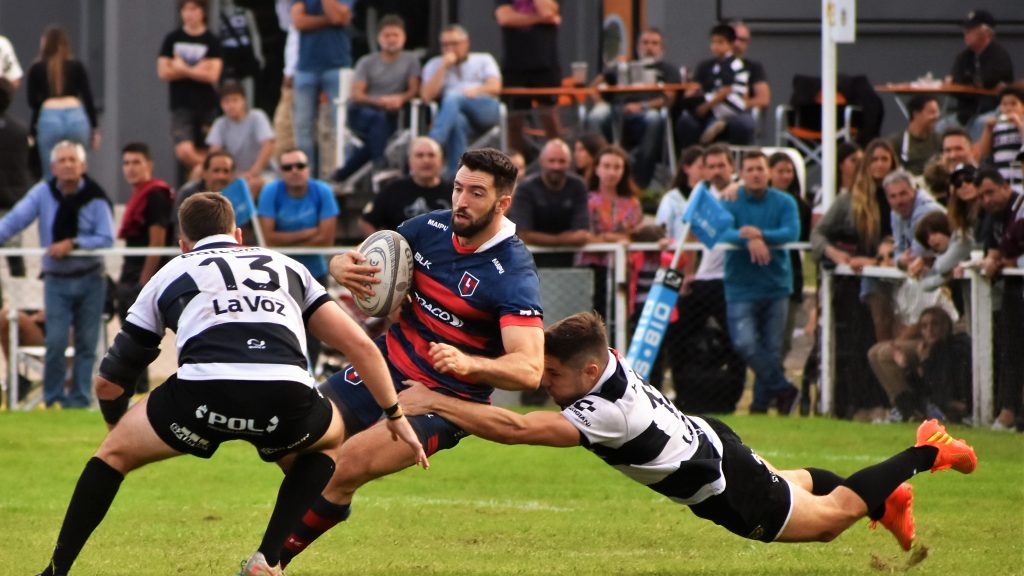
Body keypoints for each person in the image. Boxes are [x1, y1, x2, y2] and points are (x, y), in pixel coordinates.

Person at [31, 192, 426, 576]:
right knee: (327, 442)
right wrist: (394, 414)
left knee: (111, 457)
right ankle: (267, 560)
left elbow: (108, 383)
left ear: (183, 244)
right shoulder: (286, 266)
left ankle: (55, 571)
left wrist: (117, 427)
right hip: (285, 392)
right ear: (239, 235)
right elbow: (361, 345)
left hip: (203, 393)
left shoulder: (173, 271)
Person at [399, 310, 977, 554]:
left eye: (552, 375)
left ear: (591, 372)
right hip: (708, 442)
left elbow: (512, 428)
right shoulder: (606, 359)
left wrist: (435, 400)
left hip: (722, 484)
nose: (542, 381)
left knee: (829, 522)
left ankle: (926, 453)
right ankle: (889, 500)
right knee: (796, 483)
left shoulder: (606, 415)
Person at [275, 149, 545, 570]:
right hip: (385, 365)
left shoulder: (512, 273)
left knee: (347, 465)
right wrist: (340, 266)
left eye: (476, 193)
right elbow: (363, 258)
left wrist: (471, 364)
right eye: (458, 188)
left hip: (442, 398)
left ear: (502, 203)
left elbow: (529, 369)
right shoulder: (428, 228)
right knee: (291, 437)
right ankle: (330, 507)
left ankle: (270, 561)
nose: (461, 201)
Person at [0, 141, 113, 409]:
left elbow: (106, 237)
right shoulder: (43, 193)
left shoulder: (96, 196)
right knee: (56, 341)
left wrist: (73, 243)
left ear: (83, 166)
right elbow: (14, 221)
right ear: (52, 167)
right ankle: (53, 400)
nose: (67, 165)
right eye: (62, 160)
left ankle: (79, 400)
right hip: (56, 280)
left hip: (91, 278)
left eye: (72, 160)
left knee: (87, 344)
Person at [719, 151, 800, 414]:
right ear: (742, 175)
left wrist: (761, 235)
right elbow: (720, 230)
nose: (756, 174)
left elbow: (792, 232)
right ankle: (784, 388)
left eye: (760, 169)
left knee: (772, 349)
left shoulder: (784, 201)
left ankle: (760, 406)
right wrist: (748, 239)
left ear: (768, 173)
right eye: (750, 169)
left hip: (776, 285)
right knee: (745, 343)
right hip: (740, 287)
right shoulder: (731, 200)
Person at [672, 144, 744, 413]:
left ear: (731, 167)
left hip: (733, 279)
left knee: (736, 341)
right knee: (680, 333)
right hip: (705, 278)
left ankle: (734, 398)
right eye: (710, 166)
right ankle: (682, 395)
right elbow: (690, 235)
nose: (715, 171)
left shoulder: (740, 191)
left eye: (720, 165)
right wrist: (689, 274)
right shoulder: (700, 196)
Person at [258, 147, 339, 370]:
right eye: (287, 167)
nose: (295, 171)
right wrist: (309, 233)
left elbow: (327, 240)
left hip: (314, 274)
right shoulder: (270, 191)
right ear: (281, 172)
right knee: (278, 329)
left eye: (300, 166)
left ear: (308, 169)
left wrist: (285, 239)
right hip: (278, 275)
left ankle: (309, 379)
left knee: (314, 332)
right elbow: (268, 238)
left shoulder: (322, 190)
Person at [585, 28, 681, 188]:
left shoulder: (668, 69)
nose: (649, 47)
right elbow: (594, 86)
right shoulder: (625, 66)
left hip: (648, 112)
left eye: (654, 43)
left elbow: (670, 97)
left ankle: (639, 183)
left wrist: (642, 106)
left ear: (662, 48)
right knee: (596, 115)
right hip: (617, 111)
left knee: (654, 118)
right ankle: (600, 171)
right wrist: (600, 101)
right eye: (645, 43)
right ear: (637, 47)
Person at [333, 14, 421, 182]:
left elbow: (414, 89)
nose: (391, 39)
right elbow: (357, 95)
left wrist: (400, 99)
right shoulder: (366, 62)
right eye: (387, 35)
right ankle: (380, 166)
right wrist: (380, 102)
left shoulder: (411, 61)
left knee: (376, 136)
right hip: (361, 113)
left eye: (395, 35)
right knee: (378, 121)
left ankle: (341, 175)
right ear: (379, 38)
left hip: (392, 114)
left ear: (404, 37)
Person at [117, 143, 174, 393]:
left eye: (136, 162)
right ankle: (137, 389)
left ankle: (138, 390)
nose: (130, 168)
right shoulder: (140, 194)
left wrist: (144, 282)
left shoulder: (155, 195)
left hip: (142, 278)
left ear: (149, 164)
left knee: (138, 337)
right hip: (132, 274)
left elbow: (157, 241)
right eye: (126, 163)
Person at [973, 168, 1023, 431]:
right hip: (1014, 292)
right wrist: (996, 258)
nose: (987, 199)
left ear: (1006, 186)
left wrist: (1001, 258)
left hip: (1016, 287)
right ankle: (1009, 411)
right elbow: (995, 250)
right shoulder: (990, 215)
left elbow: (1011, 249)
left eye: (991, 192)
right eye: (982, 195)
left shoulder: (1019, 205)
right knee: (1010, 351)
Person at [421, 24, 503, 177]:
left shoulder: (483, 59)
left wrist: (476, 91)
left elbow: (495, 87)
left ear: (466, 43)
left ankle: (434, 143)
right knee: (457, 121)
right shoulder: (434, 64)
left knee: (453, 97)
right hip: (457, 117)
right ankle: (455, 175)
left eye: (454, 44)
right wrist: (443, 66)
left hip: (484, 109)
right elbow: (426, 96)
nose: (449, 48)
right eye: (445, 45)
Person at [158, 0, 224, 179]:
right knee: (184, 150)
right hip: (180, 103)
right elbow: (163, 71)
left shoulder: (211, 40)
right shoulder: (172, 39)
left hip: (206, 103)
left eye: (193, 9)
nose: (189, 14)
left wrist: (182, 67)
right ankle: (209, 172)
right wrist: (197, 69)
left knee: (208, 148)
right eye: (185, 9)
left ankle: (205, 175)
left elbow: (212, 75)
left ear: (202, 12)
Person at [577, 145, 643, 318]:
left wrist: (608, 237)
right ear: (597, 168)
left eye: (617, 167)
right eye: (606, 166)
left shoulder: (632, 203)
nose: (611, 172)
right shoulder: (586, 200)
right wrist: (614, 240)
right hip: (592, 267)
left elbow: (634, 235)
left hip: (623, 267)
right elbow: (586, 236)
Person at [27, 26, 100, 180]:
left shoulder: (37, 67)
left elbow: (32, 102)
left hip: (49, 116)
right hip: (76, 114)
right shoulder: (77, 65)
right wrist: (94, 128)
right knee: (78, 169)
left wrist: (32, 131)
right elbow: (88, 98)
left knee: (51, 171)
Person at [291, 0, 354, 175]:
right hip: (305, 68)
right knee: (303, 126)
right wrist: (328, 20)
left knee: (341, 124)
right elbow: (298, 22)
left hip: (337, 66)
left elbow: (338, 17)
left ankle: (344, 173)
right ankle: (305, 174)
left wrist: (329, 17)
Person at [507, 138, 589, 268]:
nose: (556, 166)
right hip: (529, 265)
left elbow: (582, 235)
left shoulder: (578, 186)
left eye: (561, 161)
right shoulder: (526, 188)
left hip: (571, 266)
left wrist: (543, 238)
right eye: (551, 161)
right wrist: (563, 239)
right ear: (541, 162)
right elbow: (523, 235)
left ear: (569, 163)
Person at [495, 0, 562, 154]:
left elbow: (547, 11)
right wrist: (539, 18)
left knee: (549, 118)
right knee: (514, 122)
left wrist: (524, 17)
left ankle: (557, 159)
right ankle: (515, 165)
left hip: (545, 65)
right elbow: (505, 18)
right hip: (514, 66)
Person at [677, 24, 753, 149]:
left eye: (720, 42)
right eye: (713, 42)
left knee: (692, 104)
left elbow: (726, 90)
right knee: (687, 105)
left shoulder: (731, 64)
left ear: (730, 44)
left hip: (731, 104)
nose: (715, 47)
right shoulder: (714, 65)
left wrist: (705, 107)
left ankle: (717, 122)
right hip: (718, 102)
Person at [360, 136, 451, 235]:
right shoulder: (394, 190)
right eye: (420, 155)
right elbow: (366, 221)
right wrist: (381, 245)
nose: (426, 160)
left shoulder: (454, 191)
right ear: (410, 161)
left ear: (441, 160)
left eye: (431, 155)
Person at [948, 9, 1014, 139]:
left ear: (985, 32)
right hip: (966, 112)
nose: (966, 34)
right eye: (965, 30)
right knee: (942, 127)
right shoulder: (964, 56)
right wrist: (972, 85)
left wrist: (969, 84)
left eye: (970, 30)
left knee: (980, 124)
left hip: (993, 109)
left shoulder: (999, 55)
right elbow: (955, 84)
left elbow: (989, 80)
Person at [172, 150, 260, 245]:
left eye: (226, 171)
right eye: (216, 170)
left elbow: (249, 234)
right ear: (204, 173)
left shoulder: (241, 194)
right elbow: (181, 233)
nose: (221, 176)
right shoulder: (188, 193)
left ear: (233, 174)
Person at [206, 81, 275, 196]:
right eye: (226, 101)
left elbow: (268, 145)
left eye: (235, 100)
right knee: (198, 173)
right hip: (231, 175)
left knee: (250, 186)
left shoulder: (257, 116)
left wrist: (252, 173)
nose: (231, 105)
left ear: (244, 101)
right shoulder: (220, 123)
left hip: (262, 174)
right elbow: (214, 153)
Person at [883, 170, 946, 279]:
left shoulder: (926, 210)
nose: (899, 201)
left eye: (903, 194)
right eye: (893, 196)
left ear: (914, 191)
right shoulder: (895, 213)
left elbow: (918, 254)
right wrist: (900, 261)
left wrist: (901, 260)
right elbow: (899, 251)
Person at [974, 86, 1024, 193]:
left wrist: (1019, 124)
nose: (1009, 108)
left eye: (1013, 104)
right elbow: (984, 153)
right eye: (1004, 104)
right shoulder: (996, 128)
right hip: (1002, 181)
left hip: (1020, 181)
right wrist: (987, 130)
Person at [728, 20, 771, 124]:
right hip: (710, 112)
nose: (737, 44)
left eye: (742, 40)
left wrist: (737, 104)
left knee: (741, 123)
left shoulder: (754, 68)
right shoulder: (707, 66)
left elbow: (764, 99)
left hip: (739, 114)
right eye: (734, 38)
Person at [887, 95, 941, 176]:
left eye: (937, 112)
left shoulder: (940, 140)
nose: (936, 117)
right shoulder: (896, 142)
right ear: (916, 114)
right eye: (932, 112)